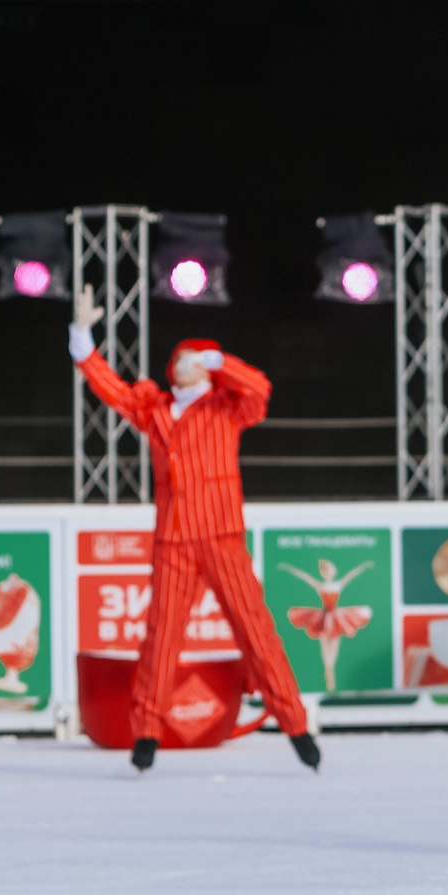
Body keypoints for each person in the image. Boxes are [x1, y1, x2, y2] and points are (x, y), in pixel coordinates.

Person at [67, 287, 317, 774]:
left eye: (193, 356)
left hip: (221, 535)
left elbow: (260, 390)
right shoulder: (156, 410)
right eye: (180, 356)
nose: (183, 361)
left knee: (255, 631)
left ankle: (295, 722)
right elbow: (110, 388)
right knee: (161, 638)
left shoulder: (227, 407)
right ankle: (146, 733)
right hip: (175, 540)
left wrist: (220, 360)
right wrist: (81, 335)